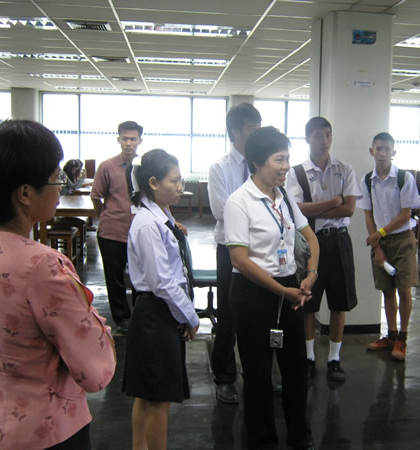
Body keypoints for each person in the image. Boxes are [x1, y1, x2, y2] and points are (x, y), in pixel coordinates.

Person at [0, 120, 116, 449]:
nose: (60, 187)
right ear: (25, 193)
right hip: (48, 428)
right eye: (56, 178)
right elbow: (95, 371)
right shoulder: (42, 265)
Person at [224, 126, 319, 449]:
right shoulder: (239, 201)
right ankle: (262, 441)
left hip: (290, 288)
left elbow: (311, 238)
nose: (286, 166)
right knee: (258, 374)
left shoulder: (286, 197)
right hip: (253, 294)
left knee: (296, 371)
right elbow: (239, 259)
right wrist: (282, 291)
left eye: (287, 158)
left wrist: (311, 274)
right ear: (257, 162)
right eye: (279, 159)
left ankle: (300, 437)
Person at [123, 149, 199, 450]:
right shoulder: (147, 223)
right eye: (174, 181)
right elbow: (162, 282)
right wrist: (190, 316)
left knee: (148, 394)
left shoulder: (160, 214)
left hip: (158, 311)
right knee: (158, 400)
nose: (180, 187)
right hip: (156, 313)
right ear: (153, 183)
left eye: (181, 181)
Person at [286, 117, 360, 382]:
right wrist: (333, 201)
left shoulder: (345, 169)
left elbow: (349, 209)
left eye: (328, 134)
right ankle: (308, 357)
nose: (324, 140)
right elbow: (296, 209)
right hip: (311, 242)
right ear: (308, 138)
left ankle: (334, 359)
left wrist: (319, 207)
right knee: (309, 302)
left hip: (339, 241)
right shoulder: (296, 172)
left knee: (339, 303)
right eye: (318, 135)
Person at [208, 103, 261, 404]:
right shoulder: (220, 167)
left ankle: (257, 374)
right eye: (253, 129)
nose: (257, 134)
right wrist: (257, 215)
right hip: (229, 249)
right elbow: (220, 210)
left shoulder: (262, 165)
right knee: (229, 314)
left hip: (260, 249)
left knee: (259, 314)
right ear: (235, 132)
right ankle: (225, 377)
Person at [358, 132, 420, 361]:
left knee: (404, 289)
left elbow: (405, 215)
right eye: (379, 148)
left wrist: (379, 234)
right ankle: (390, 336)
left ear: (393, 152)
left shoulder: (404, 178)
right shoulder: (367, 180)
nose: (383, 153)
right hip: (380, 243)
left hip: (402, 239)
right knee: (387, 290)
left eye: (387, 149)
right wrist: (377, 246)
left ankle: (402, 339)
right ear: (371, 151)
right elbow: (368, 216)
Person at [91, 121, 143, 335]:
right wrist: (105, 216)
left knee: (142, 277)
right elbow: (96, 196)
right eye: (125, 138)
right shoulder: (107, 167)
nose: (129, 143)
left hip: (140, 232)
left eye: (133, 139)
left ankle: (140, 315)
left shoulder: (144, 166)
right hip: (112, 233)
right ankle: (122, 318)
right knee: (115, 279)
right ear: (118, 139)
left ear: (140, 140)